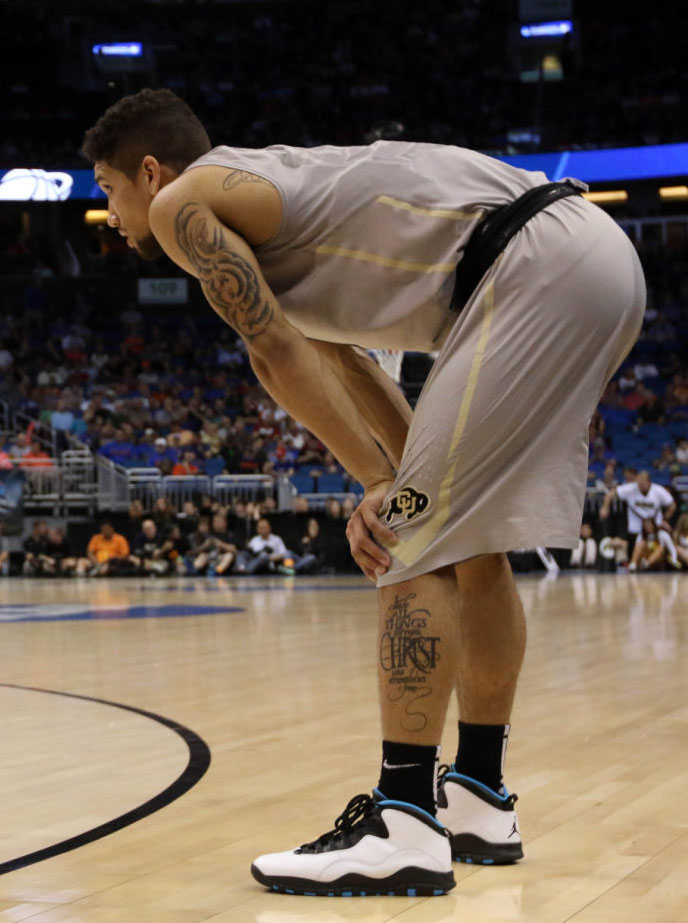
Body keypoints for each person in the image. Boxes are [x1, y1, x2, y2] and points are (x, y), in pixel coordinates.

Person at [83, 88, 645, 897]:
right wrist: (399, 472)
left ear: (148, 170)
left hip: (530, 270)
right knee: (465, 538)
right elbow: (338, 363)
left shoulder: (182, 204)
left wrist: (385, 487)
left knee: (407, 535)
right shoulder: (289, 220)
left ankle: (404, 822)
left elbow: (270, 349)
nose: (113, 212)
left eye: (107, 189)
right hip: (577, 261)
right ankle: (479, 801)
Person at [600, 470, 680, 568]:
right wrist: (605, 507)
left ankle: (644, 564)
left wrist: (665, 519)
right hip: (634, 529)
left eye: (643, 483)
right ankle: (626, 566)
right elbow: (611, 493)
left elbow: (672, 505)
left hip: (655, 529)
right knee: (625, 543)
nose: (640, 486)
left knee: (659, 545)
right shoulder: (631, 488)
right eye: (639, 483)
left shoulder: (658, 491)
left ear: (649, 482)